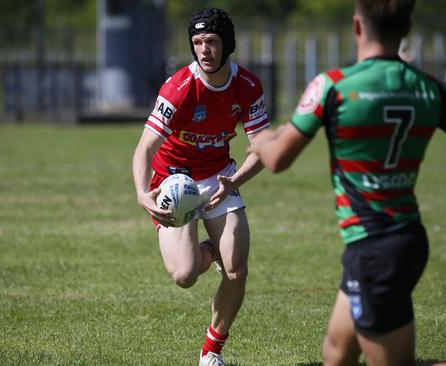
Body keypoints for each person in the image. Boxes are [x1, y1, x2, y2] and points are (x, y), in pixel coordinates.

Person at [249, 1, 446, 365]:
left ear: (357, 26)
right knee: (336, 352)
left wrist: (262, 140)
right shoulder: (432, 89)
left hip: (374, 246)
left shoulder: (334, 86)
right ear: (407, 29)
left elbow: (278, 158)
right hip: (403, 237)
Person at [132, 7, 269, 366]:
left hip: (220, 179)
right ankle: (213, 248)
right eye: (197, 42)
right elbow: (145, 148)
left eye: (211, 41)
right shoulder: (178, 87)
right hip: (174, 182)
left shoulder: (248, 86)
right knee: (184, 275)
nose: (204, 49)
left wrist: (234, 182)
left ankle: (211, 353)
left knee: (237, 271)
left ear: (227, 45)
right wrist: (142, 193)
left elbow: (263, 149)